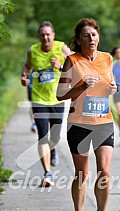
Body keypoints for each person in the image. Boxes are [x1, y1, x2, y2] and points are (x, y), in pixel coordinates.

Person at [56, 18, 117, 211]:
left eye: (93, 34)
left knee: (105, 172)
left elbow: (109, 86)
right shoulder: (72, 61)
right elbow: (60, 94)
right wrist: (81, 86)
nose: (91, 39)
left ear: (98, 37)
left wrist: (112, 88)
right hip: (79, 123)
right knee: (82, 174)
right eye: (85, 36)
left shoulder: (107, 58)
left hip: (103, 122)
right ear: (79, 40)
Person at [21, 21, 71, 186]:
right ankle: (47, 173)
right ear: (38, 36)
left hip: (57, 99)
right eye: (42, 34)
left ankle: (53, 149)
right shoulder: (33, 51)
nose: (45, 37)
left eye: (48, 34)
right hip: (39, 100)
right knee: (43, 136)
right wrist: (24, 76)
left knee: (55, 137)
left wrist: (61, 66)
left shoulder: (61, 48)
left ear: (53, 35)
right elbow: (27, 67)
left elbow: (77, 66)